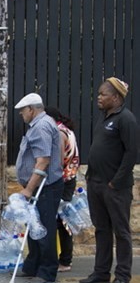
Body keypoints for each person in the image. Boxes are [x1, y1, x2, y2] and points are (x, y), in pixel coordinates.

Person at [79, 78, 137, 283]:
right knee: (101, 229)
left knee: (121, 231)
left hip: (115, 187)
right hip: (96, 183)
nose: (99, 98)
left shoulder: (126, 119)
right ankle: (101, 272)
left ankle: (122, 275)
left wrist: (116, 182)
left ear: (116, 97)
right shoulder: (104, 119)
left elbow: (131, 154)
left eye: (103, 94)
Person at [14, 93, 64, 283]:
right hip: (42, 186)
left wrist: (28, 189)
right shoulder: (41, 124)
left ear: (31, 110)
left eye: (22, 111)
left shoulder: (42, 126)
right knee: (34, 227)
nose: (21, 115)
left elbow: (43, 161)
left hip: (46, 187)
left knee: (43, 228)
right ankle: (32, 266)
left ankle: (47, 272)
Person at [45, 106, 80, 272]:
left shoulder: (59, 133)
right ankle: (65, 259)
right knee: (63, 220)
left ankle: (65, 261)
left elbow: (57, 161)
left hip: (63, 180)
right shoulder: (67, 130)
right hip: (70, 179)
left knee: (61, 221)